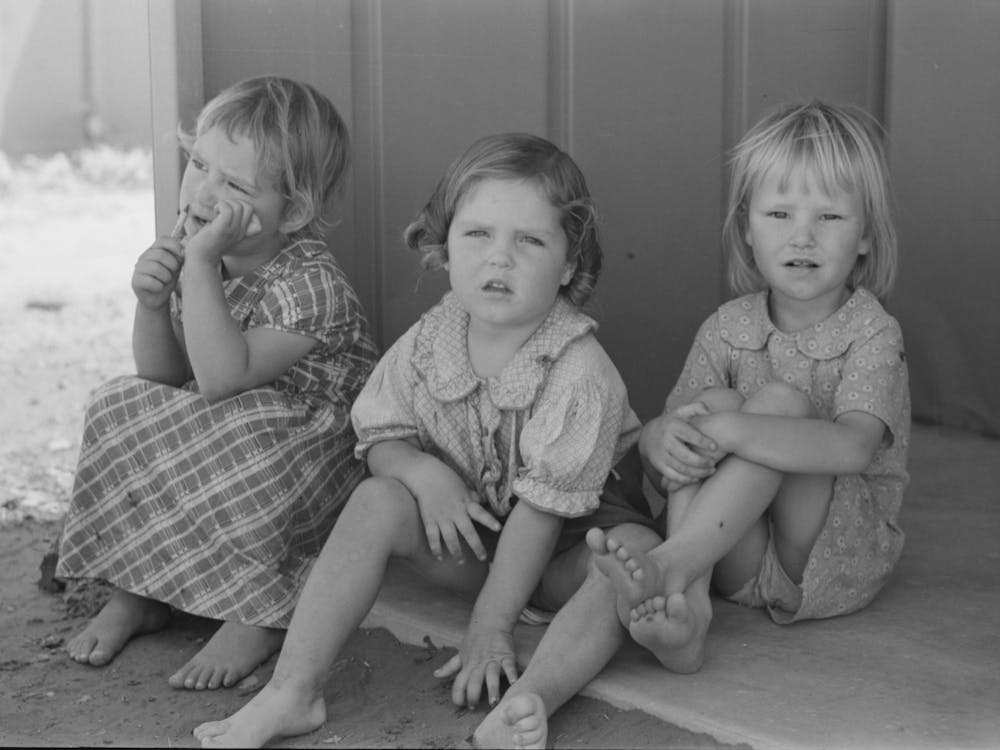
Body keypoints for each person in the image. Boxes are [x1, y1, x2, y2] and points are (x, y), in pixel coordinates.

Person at [192, 132, 661, 749]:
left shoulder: (579, 369)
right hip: (476, 538)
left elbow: (543, 516)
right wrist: (419, 471)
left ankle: (531, 699)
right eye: (478, 235)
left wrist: (490, 628)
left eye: (530, 240)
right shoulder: (431, 337)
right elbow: (379, 434)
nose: (501, 258)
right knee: (378, 498)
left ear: (570, 263)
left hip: (567, 550)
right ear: (444, 246)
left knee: (629, 557)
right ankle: (291, 692)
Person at [56, 76, 379, 691]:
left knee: (249, 428)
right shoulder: (197, 250)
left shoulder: (310, 282)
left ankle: (257, 610)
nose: (203, 191)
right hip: (229, 425)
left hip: (312, 454)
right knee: (119, 405)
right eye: (200, 164)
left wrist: (197, 268)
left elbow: (225, 380)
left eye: (234, 185)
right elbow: (167, 382)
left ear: (296, 211)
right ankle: (141, 586)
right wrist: (152, 305)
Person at [592, 100, 910, 675]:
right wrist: (656, 439)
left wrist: (738, 428)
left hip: (827, 556)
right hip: (735, 554)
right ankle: (687, 616)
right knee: (701, 409)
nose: (804, 237)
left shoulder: (872, 332)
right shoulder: (727, 328)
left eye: (831, 218)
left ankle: (672, 566)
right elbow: (675, 456)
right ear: (747, 227)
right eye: (780, 215)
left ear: (866, 235)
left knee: (778, 404)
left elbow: (853, 447)